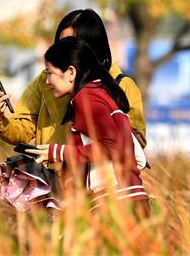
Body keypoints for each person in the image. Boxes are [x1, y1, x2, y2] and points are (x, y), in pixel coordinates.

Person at [0, 9, 147, 161]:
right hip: (55, 182)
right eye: (60, 44)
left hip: (103, 185)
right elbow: (23, 127)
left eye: (70, 44)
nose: (63, 51)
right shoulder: (46, 81)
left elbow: (134, 143)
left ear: (91, 48)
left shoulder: (121, 85)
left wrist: (79, 153)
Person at [24, 37, 149, 212]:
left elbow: (112, 146)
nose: (47, 81)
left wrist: (58, 152)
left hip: (116, 203)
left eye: (50, 73)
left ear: (71, 72)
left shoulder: (86, 97)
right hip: (130, 200)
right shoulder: (100, 92)